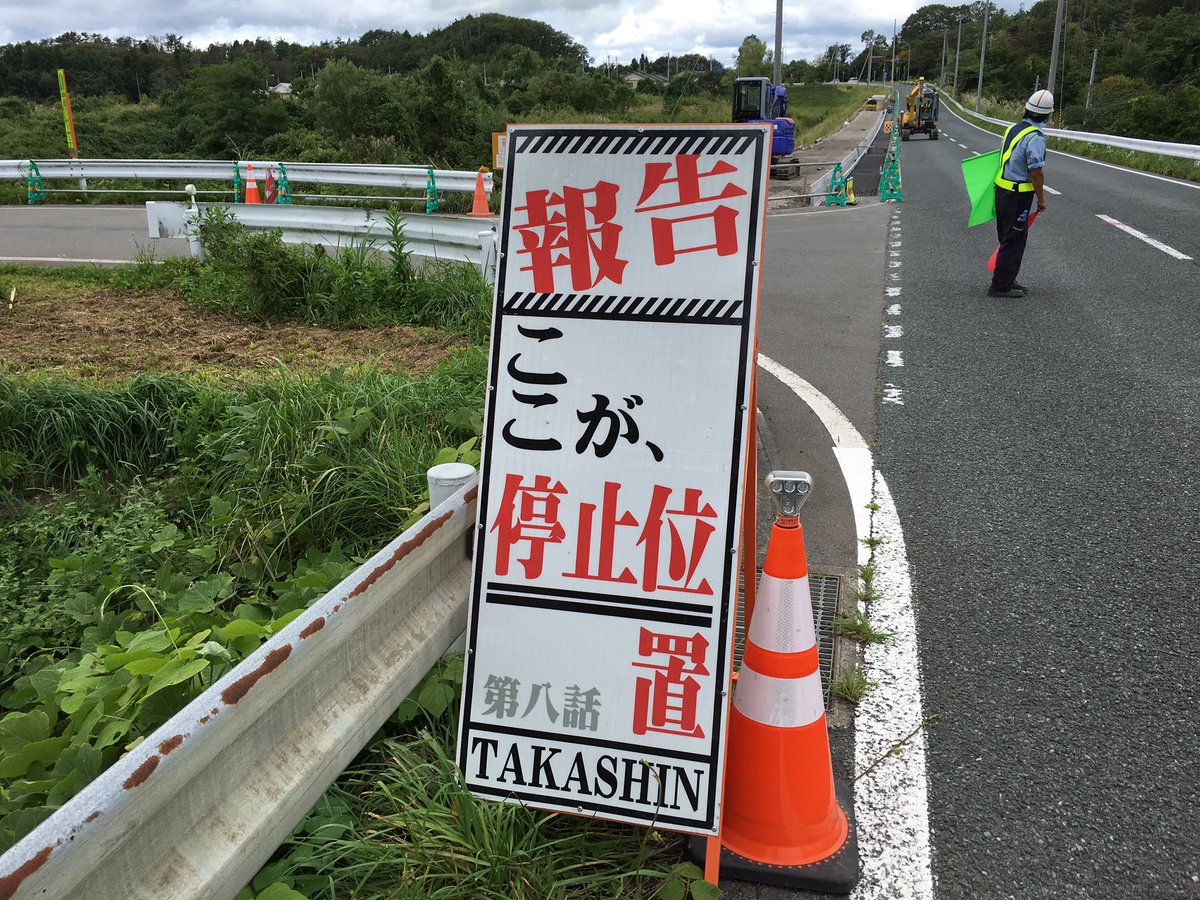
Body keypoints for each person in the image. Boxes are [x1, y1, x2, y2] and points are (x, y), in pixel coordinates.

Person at [988, 90, 1053, 299]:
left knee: (1007, 237)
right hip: (1017, 195)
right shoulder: (1035, 137)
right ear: (1047, 115)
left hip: (1003, 191)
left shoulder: (1013, 129)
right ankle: (1000, 286)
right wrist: (1041, 199)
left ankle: (1007, 278)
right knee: (1014, 239)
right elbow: (1036, 171)